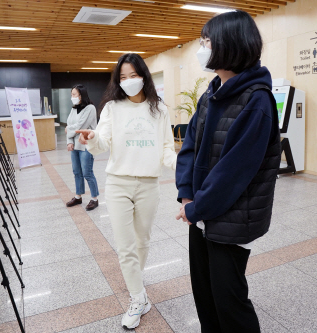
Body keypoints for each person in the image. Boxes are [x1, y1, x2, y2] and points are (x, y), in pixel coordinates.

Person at [175, 10, 281, 333]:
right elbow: (189, 145)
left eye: (207, 41)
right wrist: (186, 193)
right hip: (201, 213)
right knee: (205, 297)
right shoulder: (212, 92)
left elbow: (233, 173)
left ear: (230, 44)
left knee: (230, 302)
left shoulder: (257, 101)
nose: (202, 48)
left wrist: (197, 207)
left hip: (232, 219)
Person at [76, 53, 176, 329]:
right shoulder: (111, 108)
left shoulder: (159, 109)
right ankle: (137, 297)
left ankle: (136, 286)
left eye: (133, 75)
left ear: (143, 75)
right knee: (125, 245)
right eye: (122, 77)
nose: (129, 81)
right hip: (118, 183)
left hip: (148, 184)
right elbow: (103, 140)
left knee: (142, 241)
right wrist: (93, 137)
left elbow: (167, 147)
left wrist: (182, 166)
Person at [65, 84, 99, 211]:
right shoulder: (74, 109)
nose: (72, 97)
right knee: (76, 172)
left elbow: (80, 126)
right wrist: (69, 141)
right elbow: (70, 125)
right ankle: (78, 196)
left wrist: (68, 129)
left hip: (86, 145)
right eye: (71, 95)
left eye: (74, 95)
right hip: (74, 145)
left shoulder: (90, 108)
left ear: (81, 95)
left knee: (87, 173)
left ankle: (94, 199)